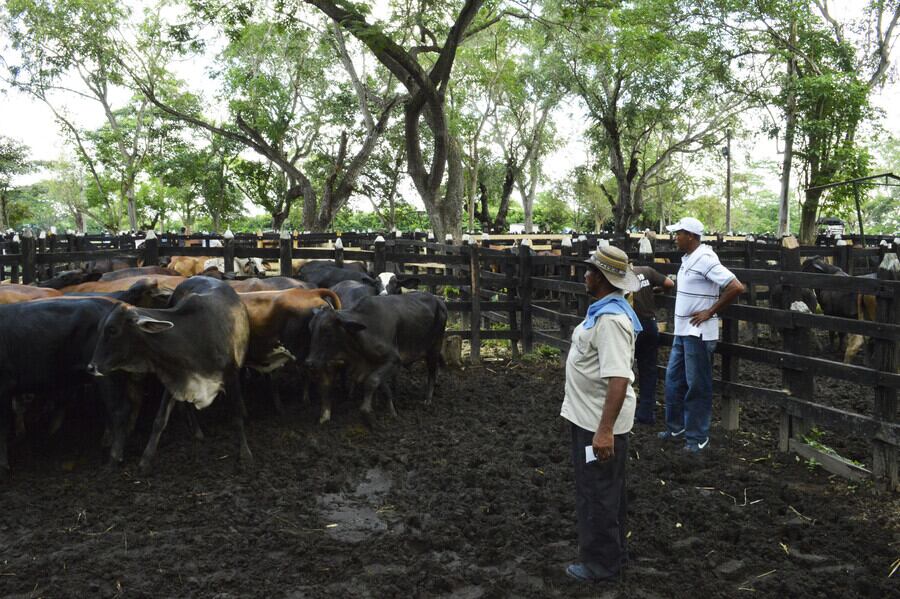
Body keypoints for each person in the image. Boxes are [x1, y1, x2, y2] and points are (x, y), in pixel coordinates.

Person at [560, 245, 642, 583]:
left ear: (602, 278)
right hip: (588, 418)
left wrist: (604, 431)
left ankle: (602, 568)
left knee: (598, 493)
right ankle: (612, 558)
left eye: (590, 270)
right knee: (602, 491)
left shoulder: (610, 321)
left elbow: (619, 377)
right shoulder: (603, 311)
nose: (585, 274)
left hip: (598, 423)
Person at [658, 217, 745, 452]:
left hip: (697, 334)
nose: (675, 237)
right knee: (673, 381)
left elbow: (736, 286)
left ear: (692, 236)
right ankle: (677, 428)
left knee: (697, 385)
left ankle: (697, 438)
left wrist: (710, 311)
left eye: (679, 234)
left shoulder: (705, 258)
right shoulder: (688, 259)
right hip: (683, 331)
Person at [631, 265, 675, 424]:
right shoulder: (646, 271)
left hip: (629, 326)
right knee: (648, 370)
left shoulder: (618, 276)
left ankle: (624, 411)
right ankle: (646, 413)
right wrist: (653, 289)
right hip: (649, 325)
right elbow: (669, 283)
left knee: (623, 369)